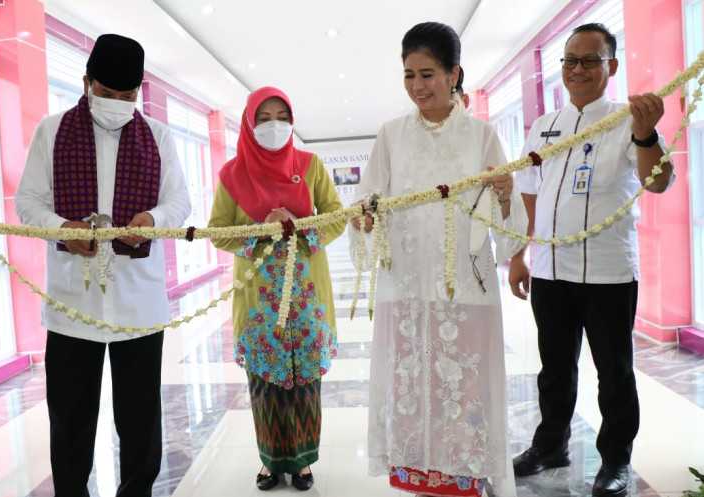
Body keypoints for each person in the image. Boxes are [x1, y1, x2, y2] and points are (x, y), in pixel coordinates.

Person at [15, 34, 191, 497]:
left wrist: (152, 220)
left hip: (138, 305)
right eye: (107, 95)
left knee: (140, 423)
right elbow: (28, 203)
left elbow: (180, 202)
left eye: (127, 97)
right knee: (70, 425)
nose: (117, 104)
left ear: (138, 94)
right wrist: (63, 229)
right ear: (86, 82)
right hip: (73, 305)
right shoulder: (52, 132)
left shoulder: (158, 135)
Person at [353, 22, 525, 496]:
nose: (416, 87)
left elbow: (507, 228)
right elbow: (367, 202)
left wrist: (506, 196)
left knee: (465, 393)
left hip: (465, 294)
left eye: (427, 74)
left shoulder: (482, 136)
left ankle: (466, 479)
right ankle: (420, 478)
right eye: (408, 75)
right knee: (411, 395)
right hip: (406, 293)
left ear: (455, 74)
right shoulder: (390, 136)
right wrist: (365, 217)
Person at [509, 23, 673, 497]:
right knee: (554, 368)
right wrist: (521, 254)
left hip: (607, 272)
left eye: (589, 60)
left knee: (614, 372)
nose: (576, 69)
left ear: (611, 66)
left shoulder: (629, 119)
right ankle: (550, 445)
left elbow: (657, 182)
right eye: (569, 61)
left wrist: (645, 135)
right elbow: (530, 196)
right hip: (551, 272)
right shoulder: (545, 126)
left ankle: (615, 460)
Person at [208, 86, 345, 491]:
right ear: (250, 123)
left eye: (280, 117)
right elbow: (217, 232)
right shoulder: (232, 175)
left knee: (304, 383)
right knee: (265, 385)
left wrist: (298, 228)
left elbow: (337, 216)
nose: (274, 126)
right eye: (263, 118)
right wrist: (262, 232)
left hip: (306, 294)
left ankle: (302, 461)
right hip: (257, 299)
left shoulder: (310, 164)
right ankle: (270, 461)